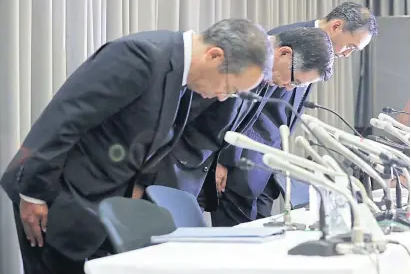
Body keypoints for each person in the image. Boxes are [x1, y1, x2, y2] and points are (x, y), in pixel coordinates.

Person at [0, 18, 273, 274]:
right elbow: (63, 121)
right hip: (55, 199)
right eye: (228, 87)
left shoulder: (182, 75)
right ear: (214, 55)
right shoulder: (140, 56)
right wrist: (34, 194)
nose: (224, 98)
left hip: (97, 206)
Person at [211, 1, 379, 226]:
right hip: (239, 163)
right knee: (238, 246)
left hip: (266, 165)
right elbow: (241, 107)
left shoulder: (317, 52)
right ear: (337, 26)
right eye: (350, 47)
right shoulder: (284, 42)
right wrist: (222, 159)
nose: (348, 55)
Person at [146, 26, 334, 214]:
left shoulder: (266, 76)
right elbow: (180, 114)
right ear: (284, 53)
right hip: (169, 167)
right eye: (294, 81)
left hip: (197, 171)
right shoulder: (240, 56)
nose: (288, 88)